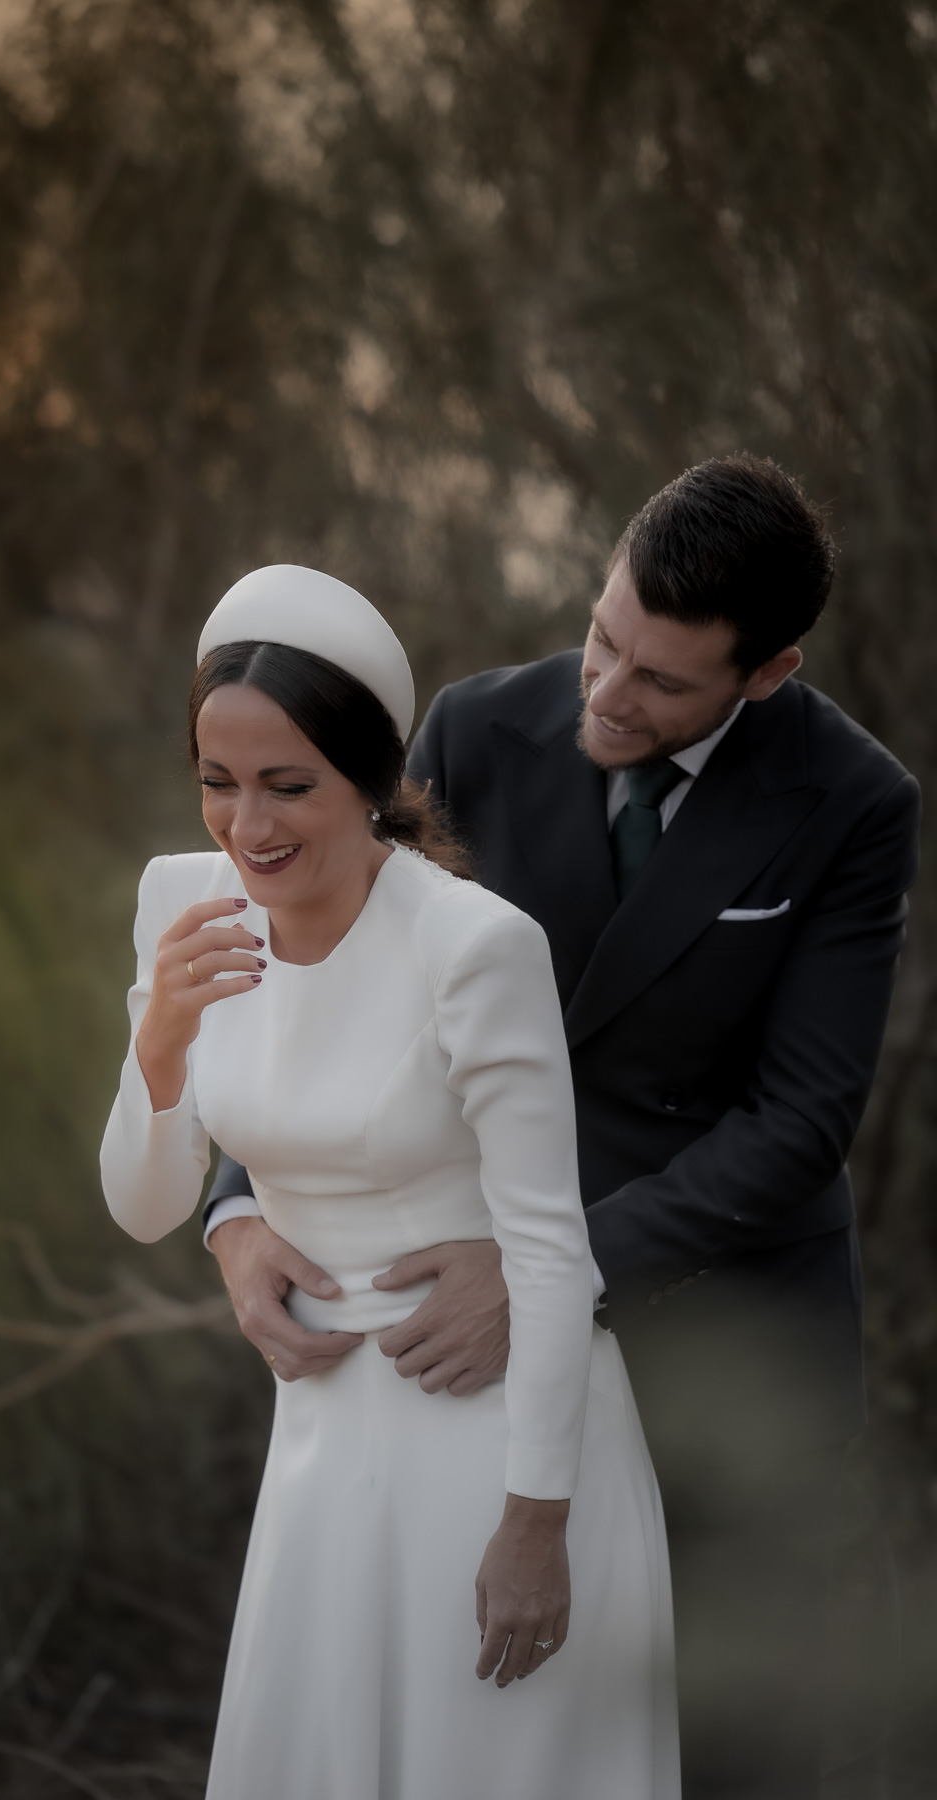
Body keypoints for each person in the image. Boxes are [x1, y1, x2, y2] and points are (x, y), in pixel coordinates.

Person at [206, 457, 922, 1799]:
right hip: (464, 1353)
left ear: (769, 673)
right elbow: (318, 964)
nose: (607, 692)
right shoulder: (476, 729)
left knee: (725, 1747)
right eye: (604, 638)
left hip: (720, 1329)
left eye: (662, 681)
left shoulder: (852, 803)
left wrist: (550, 1276)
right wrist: (238, 1204)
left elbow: (800, 1121)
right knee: (487, 1728)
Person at [100, 565, 679, 1800]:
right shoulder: (180, 903)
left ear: (372, 779)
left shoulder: (474, 947)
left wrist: (537, 1526)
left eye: (288, 785)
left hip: (495, 1441)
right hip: (321, 1442)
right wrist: (159, 1040)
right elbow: (146, 1207)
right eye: (216, 780)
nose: (246, 825)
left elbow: (547, 1253)